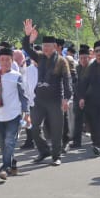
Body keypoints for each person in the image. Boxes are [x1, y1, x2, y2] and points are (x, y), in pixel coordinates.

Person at [21, 22, 73, 165]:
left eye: (48, 46)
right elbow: (26, 48)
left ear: (54, 47)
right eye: (44, 46)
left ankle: (56, 156)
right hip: (40, 100)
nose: (45, 48)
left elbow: (67, 81)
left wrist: (66, 98)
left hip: (55, 100)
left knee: (57, 130)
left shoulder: (62, 61)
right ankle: (44, 151)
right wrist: (27, 35)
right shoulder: (39, 57)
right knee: (34, 127)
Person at [0, 48, 29, 179]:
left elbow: (24, 96)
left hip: (14, 114)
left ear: (12, 61)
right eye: (2, 60)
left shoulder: (17, 76)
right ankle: (12, 162)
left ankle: (5, 167)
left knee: (10, 141)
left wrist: (26, 113)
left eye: (8, 60)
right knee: (2, 143)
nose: (5, 62)